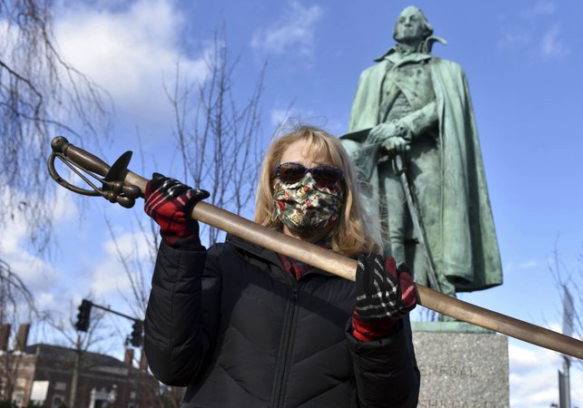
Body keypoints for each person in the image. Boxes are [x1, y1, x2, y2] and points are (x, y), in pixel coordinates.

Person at [141, 126, 420, 407]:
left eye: (325, 175)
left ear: (344, 191)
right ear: (272, 185)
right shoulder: (224, 262)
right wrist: (178, 248)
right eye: (292, 173)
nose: (307, 185)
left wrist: (376, 336)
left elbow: (394, 404)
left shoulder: (371, 289)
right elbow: (171, 366)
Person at [343, 6, 502, 297]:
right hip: (384, 157)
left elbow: (444, 107)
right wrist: (382, 139)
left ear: (425, 28)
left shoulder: (444, 71)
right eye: (401, 20)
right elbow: (363, 122)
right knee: (390, 227)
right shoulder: (374, 74)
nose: (405, 24)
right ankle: (394, 295)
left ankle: (446, 297)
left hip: (430, 158)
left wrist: (404, 127)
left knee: (436, 226)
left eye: (412, 20)